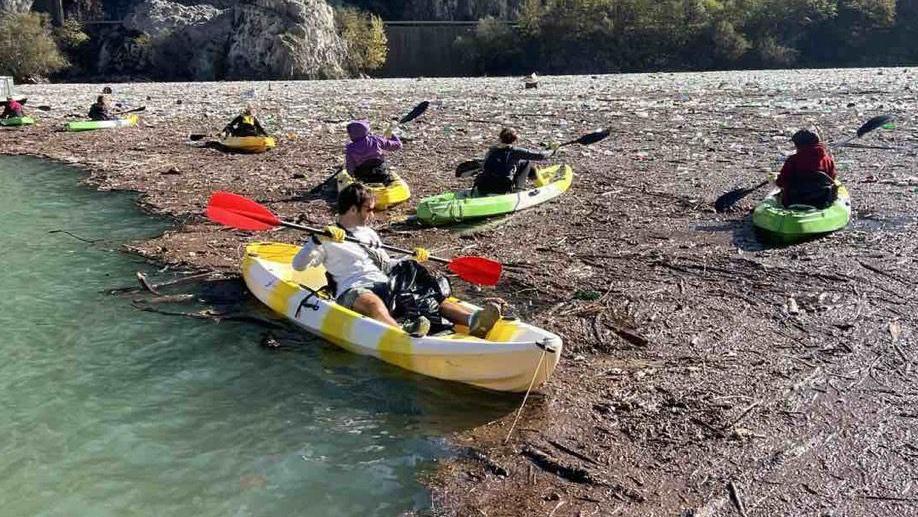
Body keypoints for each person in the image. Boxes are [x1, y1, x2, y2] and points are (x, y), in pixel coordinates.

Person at [292, 183, 501, 338]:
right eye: (369, 209)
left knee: (426, 292)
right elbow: (298, 265)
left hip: (385, 283)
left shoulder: (369, 233)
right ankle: (401, 335)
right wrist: (316, 240)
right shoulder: (326, 237)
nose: (373, 215)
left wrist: (413, 256)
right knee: (373, 302)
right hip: (354, 290)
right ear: (353, 209)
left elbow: (386, 265)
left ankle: (473, 320)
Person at [475, 127, 557, 195]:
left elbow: (484, 166)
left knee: (521, 163)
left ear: (500, 137)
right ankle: (518, 191)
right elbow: (541, 155)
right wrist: (552, 150)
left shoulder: (492, 149)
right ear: (514, 139)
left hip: (484, 185)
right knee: (526, 163)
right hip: (501, 188)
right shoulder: (515, 151)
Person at [775, 128, 837, 208]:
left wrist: (776, 180)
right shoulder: (828, 160)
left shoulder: (793, 160)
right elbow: (832, 179)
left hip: (794, 199)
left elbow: (781, 182)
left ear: (799, 145)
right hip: (821, 200)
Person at [345, 119, 401, 184]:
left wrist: (352, 177)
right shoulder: (376, 140)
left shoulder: (350, 148)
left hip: (363, 177)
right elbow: (398, 145)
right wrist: (392, 135)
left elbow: (350, 168)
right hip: (381, 173)